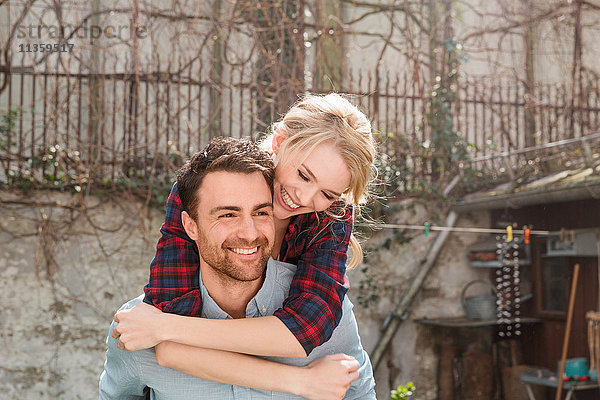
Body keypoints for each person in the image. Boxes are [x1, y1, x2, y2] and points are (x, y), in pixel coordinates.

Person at [112, 92, 377, 365]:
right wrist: (302, 381)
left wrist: (165, 327)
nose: (305, 198)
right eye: (303, 175)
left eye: (327, 193)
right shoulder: (207, 189)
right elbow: (170, 342)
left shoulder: (332, 217)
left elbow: (305, 329)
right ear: (280, 141)